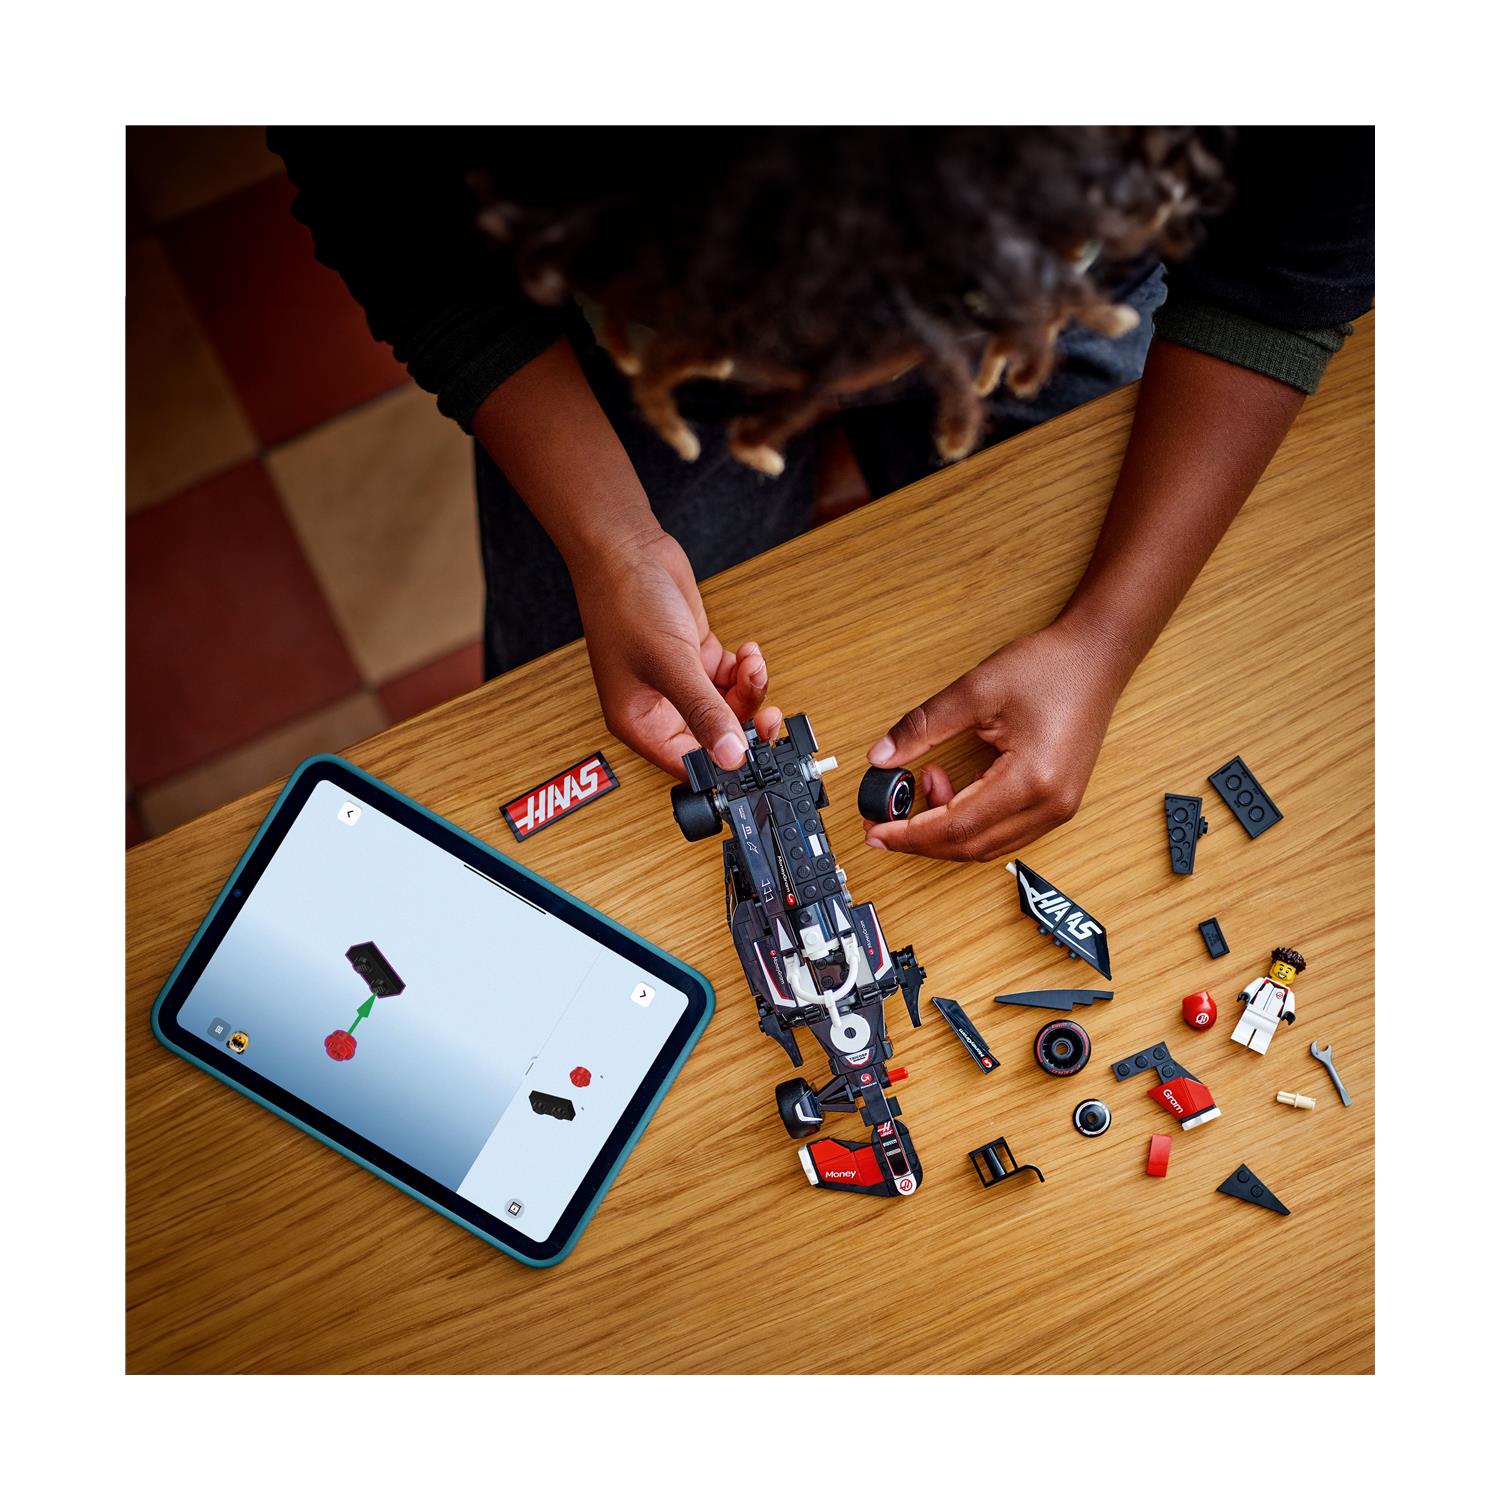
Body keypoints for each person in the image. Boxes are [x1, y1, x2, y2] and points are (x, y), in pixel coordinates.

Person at [271, 126, 1373, 862]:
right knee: (554, 735)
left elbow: (1281, 279)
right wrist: (612, 544)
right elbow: (386, 204)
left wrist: (1106, 637)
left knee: (1171, 653)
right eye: (748, 358)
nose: (812, 405)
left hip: (1081, 292)